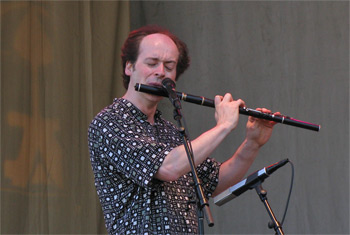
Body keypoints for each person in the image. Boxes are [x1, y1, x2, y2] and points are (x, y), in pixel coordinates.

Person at [88, 25, 279, 235]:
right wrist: (224, 126)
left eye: (169, 66)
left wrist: (252, 143)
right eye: (152, 63)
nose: (160, 72)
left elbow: (215, 181)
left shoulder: (169, 130)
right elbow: (168, 168)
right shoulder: (110, 122)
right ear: (129, 67)